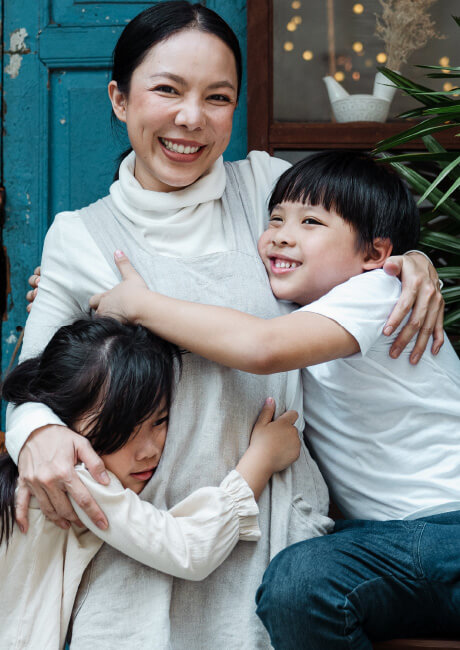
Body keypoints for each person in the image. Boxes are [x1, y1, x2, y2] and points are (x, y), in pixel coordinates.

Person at [6, 2, 443, 647]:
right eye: (166, 90)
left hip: (277, 530)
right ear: (119, 99)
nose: (191, 118)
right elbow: (30, 384)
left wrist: (409, 261)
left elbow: (352, 246)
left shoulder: (266, 186)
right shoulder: (80, 235)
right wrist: (36, 435)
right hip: (151, 542)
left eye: (218, 97)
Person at [88, 150, 460, 648]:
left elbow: (258, 347)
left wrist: (137, 304)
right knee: (297, 585)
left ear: (374, 255)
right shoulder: (305, 312)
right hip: (383, 546)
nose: (281, 234)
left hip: (446, 531)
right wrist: (82, 290)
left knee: (302, 578)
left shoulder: (380, 293)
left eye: (310, 222)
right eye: (276, 219)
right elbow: (226, 320)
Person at [0, 316, 301, 648]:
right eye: (122, 430)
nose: (148, 451)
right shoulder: (79, 479)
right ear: (64, 423)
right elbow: (188, 549)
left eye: (159, 420)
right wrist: (262, 458)